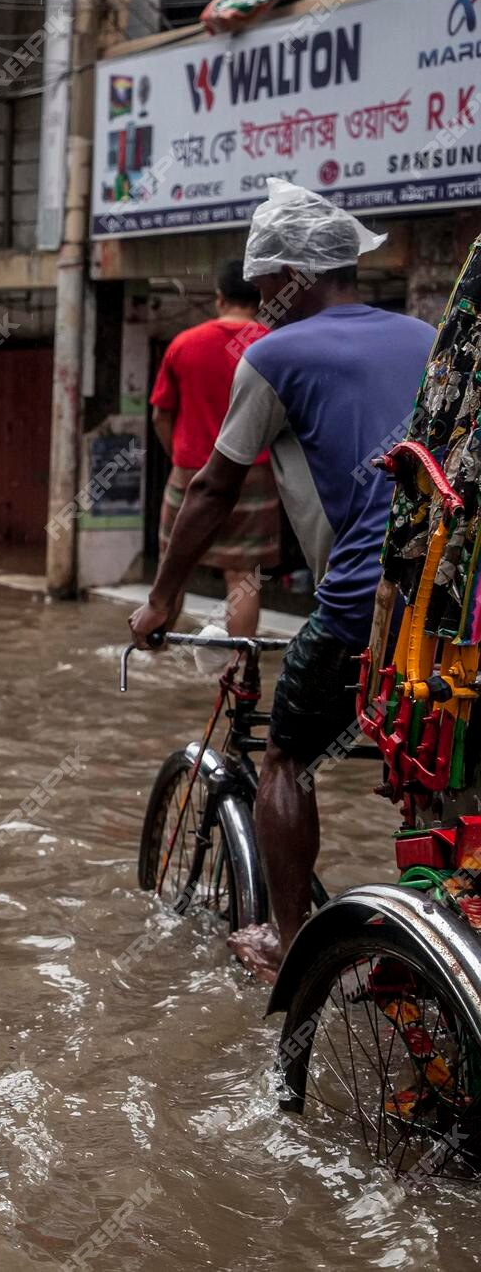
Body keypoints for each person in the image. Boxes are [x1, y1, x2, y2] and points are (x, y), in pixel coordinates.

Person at [129, 179, 432, 982]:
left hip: (368, 596)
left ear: (294, 275)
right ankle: (438, 915)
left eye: (266, 284)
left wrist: (160, 598)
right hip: (455, 603)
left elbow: (210, 488)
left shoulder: (272, 354)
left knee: (287, 758)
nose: (260, 301)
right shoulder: (427, 336)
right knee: (431, 756)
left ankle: (290, 941)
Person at [150, 260, 278, 640]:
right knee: (243, 578)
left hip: (190, 471)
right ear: (259, 297)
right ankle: (240, 671)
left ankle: (153, 650)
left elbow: (161, 415)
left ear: (219, 298)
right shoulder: (271, 346)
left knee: (172, 570)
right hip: (252, 473)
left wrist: (179, 456)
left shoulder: (184, 344)